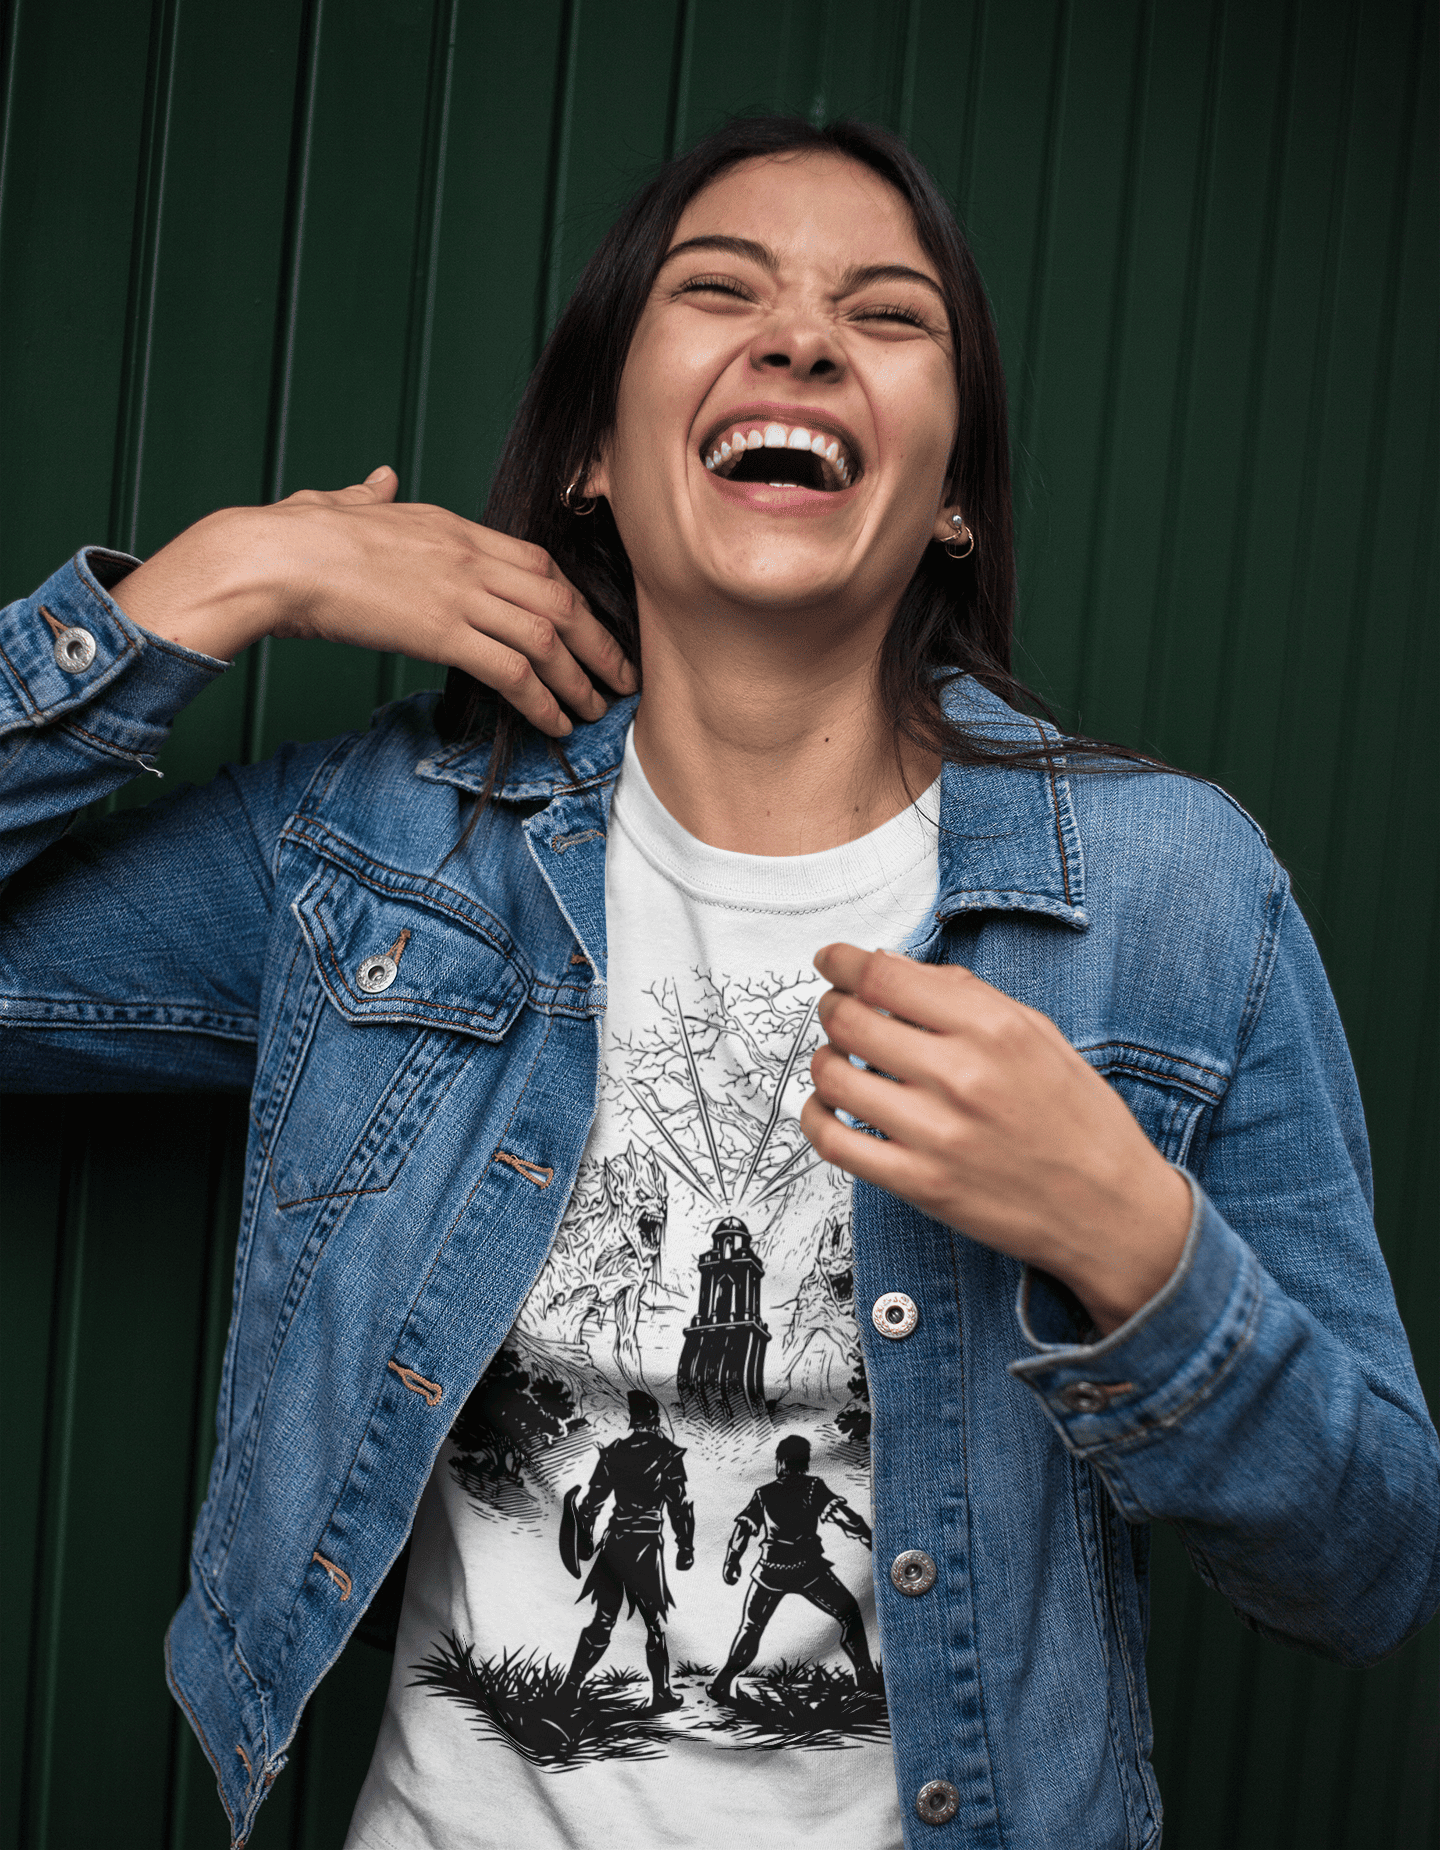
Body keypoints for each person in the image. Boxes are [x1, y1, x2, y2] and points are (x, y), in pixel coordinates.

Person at [0, 113, 1435, 1850]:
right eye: (720, 289)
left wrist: (1135, 1245)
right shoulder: (385, 855)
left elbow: (1370, 1569)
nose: (805, 335)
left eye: (888, 316)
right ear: (598, 450)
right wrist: (216, 582)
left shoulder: (1175, 898)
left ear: (958, 490)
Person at [710, 1433, 878, 1705]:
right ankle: (865, 1674)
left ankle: (722, 1683)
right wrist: (869, 1539)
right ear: (806, 1461)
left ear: (780, 1461)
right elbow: (843, 1517)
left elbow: (743, 1529)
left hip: (770, 1571)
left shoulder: (764, 1493)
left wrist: (732, 1560)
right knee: (850, 1616)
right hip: (808, 1568)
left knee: (751, 1628)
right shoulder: (813, 1487)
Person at [561, 1389, 694, 1712]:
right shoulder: (667, 1454)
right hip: (646, 1548)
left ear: (633, 1419)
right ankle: (661, 1694)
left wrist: (585, 1539)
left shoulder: (614, 1453)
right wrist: (684, 1546)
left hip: (615, 1544)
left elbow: (591, 1505)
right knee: (653, 1624)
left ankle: (571, 1687)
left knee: (603, 1619)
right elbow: (678, 1506)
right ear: (655, 1419)